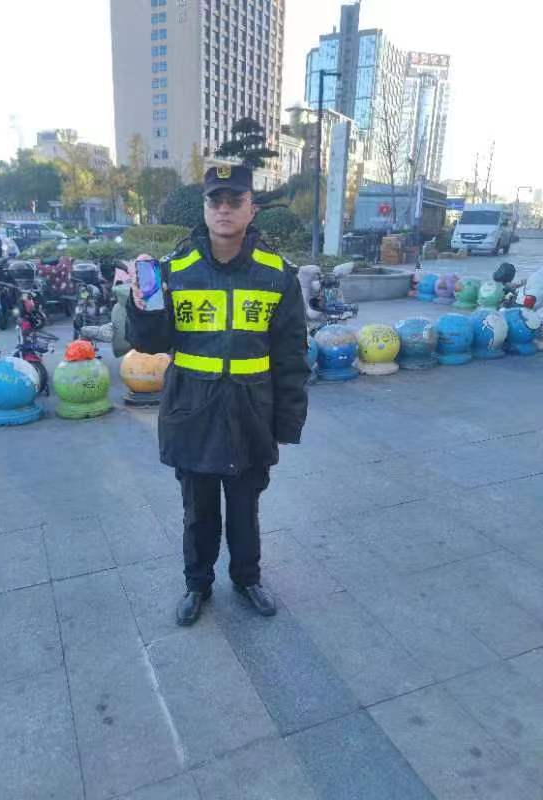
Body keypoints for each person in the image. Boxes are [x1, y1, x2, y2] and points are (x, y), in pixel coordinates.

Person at [126, 165, 309, 626]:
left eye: (234, 200)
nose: (224, 209)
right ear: (205, 208)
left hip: (251, 415)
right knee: (198, 511)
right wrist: (141, 306)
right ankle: (197, 585)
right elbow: (149, 342)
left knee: (246, 509)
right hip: (193, 414)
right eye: (215, 201)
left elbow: (291, 356)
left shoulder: (277, 276)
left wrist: (287, 422)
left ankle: (247, 579)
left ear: (252, 208)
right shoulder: (174, 270)